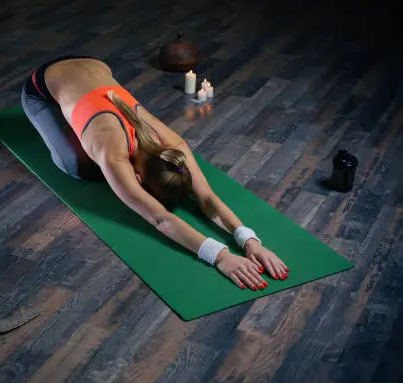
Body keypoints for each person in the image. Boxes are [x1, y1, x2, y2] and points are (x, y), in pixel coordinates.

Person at [21, 55, 289, 291]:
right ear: (138, 179)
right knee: (78, 168)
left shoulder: (173, 146)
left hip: (93, 63)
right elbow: (160, 219)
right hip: (40, 87)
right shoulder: (111, 152)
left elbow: (206, 197)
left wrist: (249, 240)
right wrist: (220, 256)